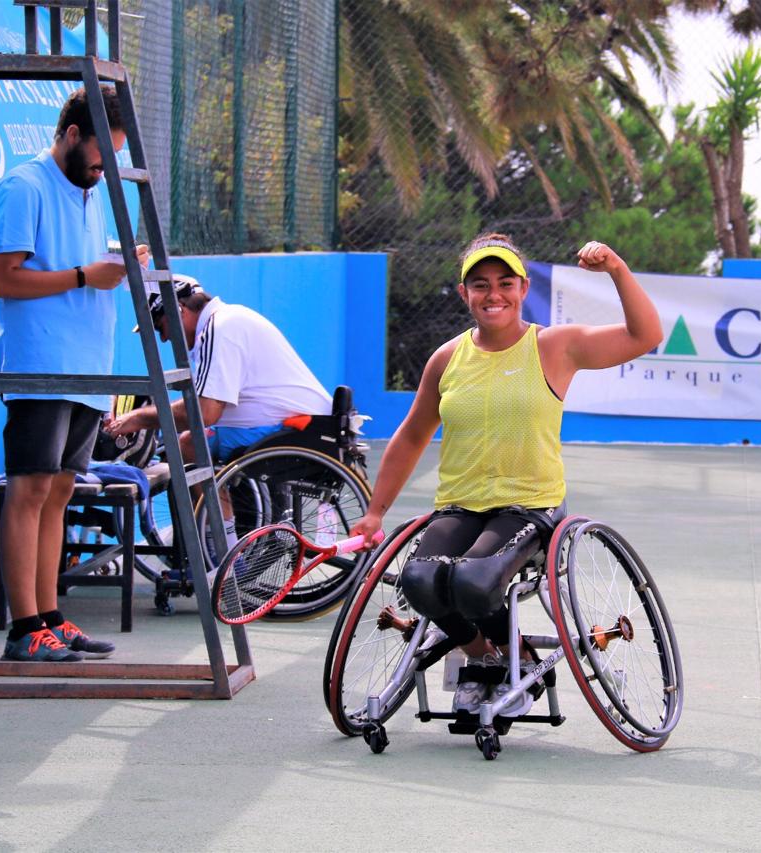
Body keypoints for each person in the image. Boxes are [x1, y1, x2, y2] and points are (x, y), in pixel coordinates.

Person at [349, 233, 661, 714]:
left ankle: (510, 659)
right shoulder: (447, 359)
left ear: (522, 288)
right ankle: (486, 657)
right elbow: (411, 437)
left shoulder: (555, 346)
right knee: (419, 582)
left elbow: (646, 336)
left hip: (529, 506)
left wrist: (617, 268)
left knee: (472, 583)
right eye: (480, 284)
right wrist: (374, 513)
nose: (492, 294)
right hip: (460, 505)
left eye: (504, 283)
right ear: (464, 293)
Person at [0, 85, 150, 663]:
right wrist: (85, 275)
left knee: (58, 493)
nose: (104, 169)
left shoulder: (90, 191)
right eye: (101, 155)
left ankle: (50, 617)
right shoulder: (24, 187)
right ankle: (23, 630)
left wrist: (117, 263)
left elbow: (83, 265)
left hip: (86, 367)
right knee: (28, 491)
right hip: (40, 366)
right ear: (73, 135)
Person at [103, 274, 333, 552]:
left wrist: (140, 418)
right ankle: (222, 543)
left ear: (179, 311)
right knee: (192, 438)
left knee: (189, 445)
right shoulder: (225, 322)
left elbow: (205, 412)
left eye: (159, 326)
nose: (163, 338)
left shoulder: (218, 327)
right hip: (301, 424)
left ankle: (224, 553)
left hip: (294, 428)